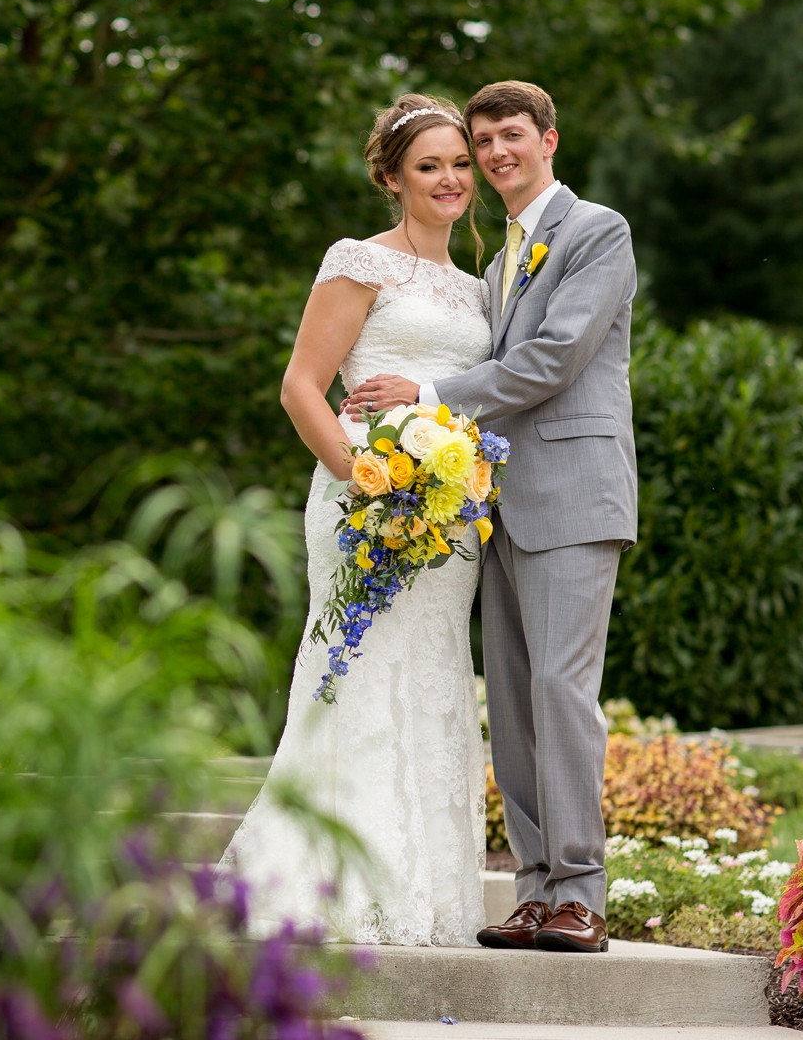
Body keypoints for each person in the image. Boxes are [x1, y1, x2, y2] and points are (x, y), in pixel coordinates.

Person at [347, 80, 637, 953]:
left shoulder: (596, 232)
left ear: (549, 138)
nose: (496, 153)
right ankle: (536, 890)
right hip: (493, 507)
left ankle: (581, 893)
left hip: (574, 495)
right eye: (484, 141)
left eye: (512, 134)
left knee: (560, 691)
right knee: (511, 702)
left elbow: (553, 359)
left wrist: (426, 392)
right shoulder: (496, 263)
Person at [216, 93, 492, 945]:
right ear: (392, 177)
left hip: (448, 516)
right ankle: (327, 879)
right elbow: (301, 385)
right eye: (428, 166)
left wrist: (444, 487)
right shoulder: (359, 262)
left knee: (433, 670)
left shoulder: (480, 288)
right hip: (362, 500)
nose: (450, 179)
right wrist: (365, 481)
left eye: (459, 163)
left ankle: (425, 891)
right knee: (358, 668)